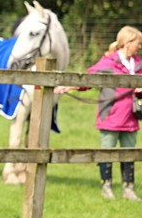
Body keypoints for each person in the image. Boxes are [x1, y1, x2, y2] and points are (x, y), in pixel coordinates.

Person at [57, 26, 142, 200]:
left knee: (129, 153)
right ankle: (107, 187)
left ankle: (128, 188)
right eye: (138, 43)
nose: (139, 47)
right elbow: (88, 78)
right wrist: (69, 85)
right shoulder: (109, 62)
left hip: (131, 117)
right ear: (127, 42)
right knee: (106, 152)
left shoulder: (139, 64)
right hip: (111, 115)